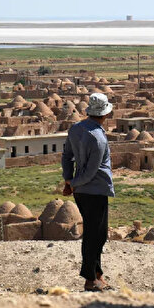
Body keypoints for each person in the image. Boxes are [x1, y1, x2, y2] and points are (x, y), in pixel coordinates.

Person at [61, 92, 115, 292]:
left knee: (97, 234)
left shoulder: (76, 129)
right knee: (95, 236)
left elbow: (66, 156)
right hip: (95, 190)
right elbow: (92, 172)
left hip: (81, 192)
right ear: (105, 114)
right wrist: (73, 183)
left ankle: (98, 274)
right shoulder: (99, 138)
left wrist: (69, 180)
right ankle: (90, 279)